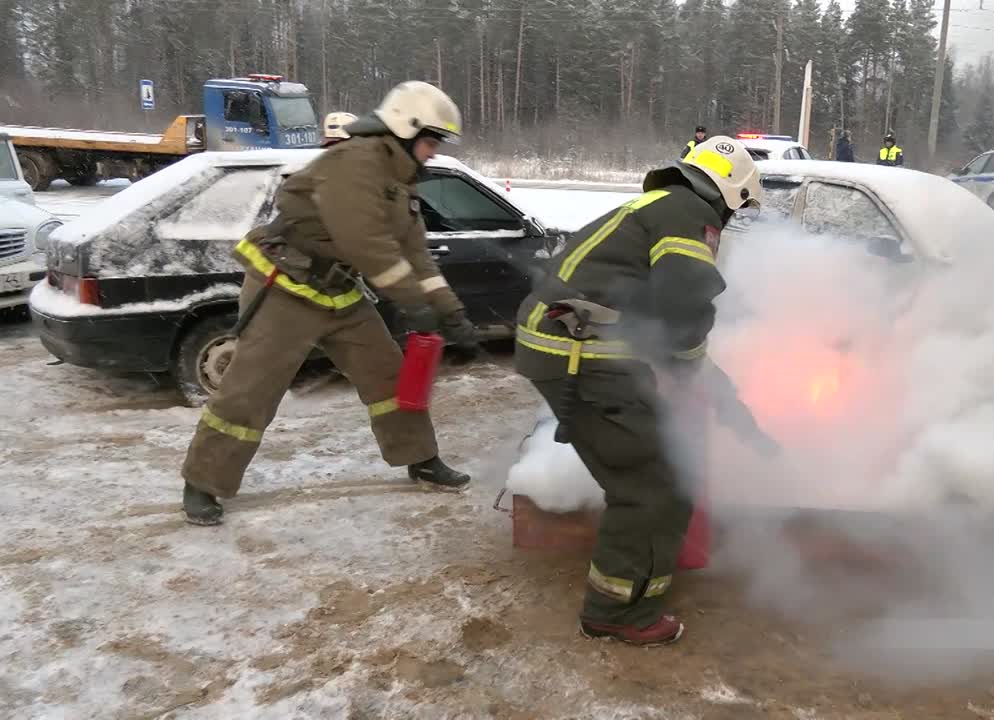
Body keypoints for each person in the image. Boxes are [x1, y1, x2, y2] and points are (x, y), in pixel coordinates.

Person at [180, 80, 480, 526]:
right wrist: (414, 302)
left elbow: (415, 253)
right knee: (251, 389)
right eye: (431, 141)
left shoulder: (401, 183)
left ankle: (420, 458)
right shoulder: (355, 163)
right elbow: (367, 243)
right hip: (286, 285)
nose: (434, 152)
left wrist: (450, 311)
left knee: (389, 375)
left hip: (338, 291)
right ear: (406, 130)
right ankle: (203, 482)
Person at [513, 135, 763, 646]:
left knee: (659, 481)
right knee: (650, 486)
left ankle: (628, 601)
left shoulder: (660, 205)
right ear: (731, 194)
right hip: (581, 355)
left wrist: (717, 391)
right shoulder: (690, 214)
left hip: (577, 349)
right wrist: (694, 369)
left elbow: (660, 322)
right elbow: (686, 304)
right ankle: (615, 613)